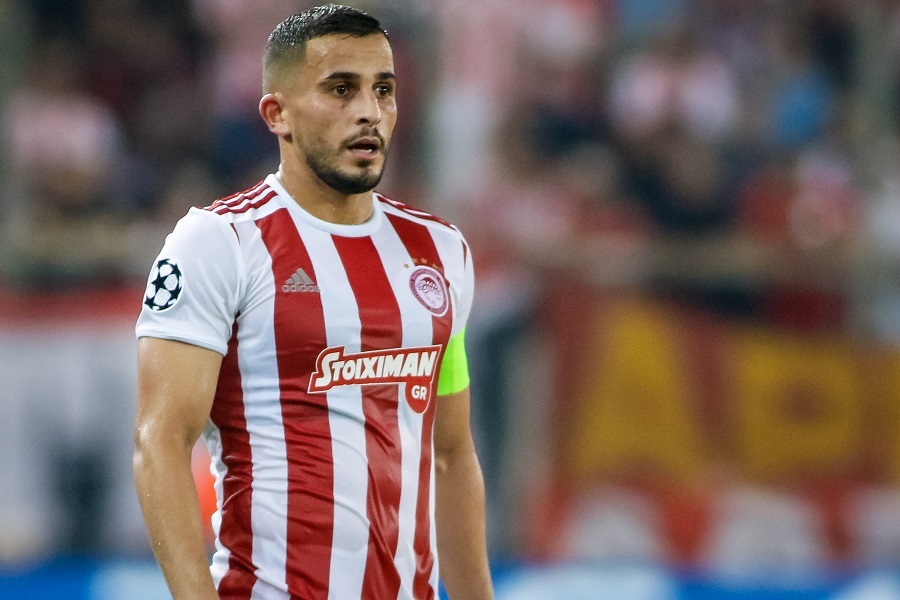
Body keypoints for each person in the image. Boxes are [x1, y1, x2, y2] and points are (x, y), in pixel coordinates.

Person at [132, 5, 493, 599]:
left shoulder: (441, 251)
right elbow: (160, 443)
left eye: (383, 90)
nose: (369, 111)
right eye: (341, 89)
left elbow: (450, 454)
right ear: (278, 114)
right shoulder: (219, 243)